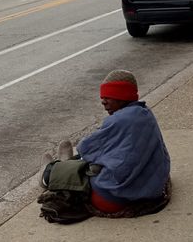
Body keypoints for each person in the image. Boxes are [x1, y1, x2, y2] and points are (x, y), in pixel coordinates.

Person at [38, 70, 171, 222]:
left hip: (112, 198)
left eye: (109, 97)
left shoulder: (118, 120)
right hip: (150, 188)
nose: (103, 102)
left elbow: (86, 148)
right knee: (95, 160)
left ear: (123, 96)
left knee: (81, 169)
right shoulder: (144, 112)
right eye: (103, 97)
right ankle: (64, 163)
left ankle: (48, 174)